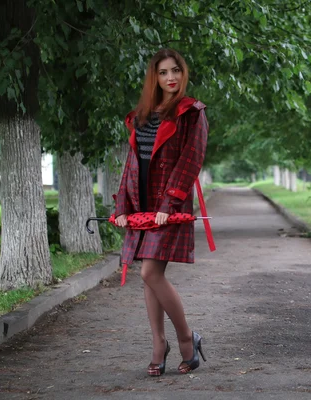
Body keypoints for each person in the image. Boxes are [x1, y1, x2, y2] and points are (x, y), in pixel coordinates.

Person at [114, 48, 208, 376]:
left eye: (176, 71)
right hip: (141, 206)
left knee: (150, 273)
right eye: (164, 72)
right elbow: (132, 164)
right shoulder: (141, 115)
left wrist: (169, 204)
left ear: (183, 75)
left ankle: (185, 339)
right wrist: (123, 207)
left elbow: (191, 160)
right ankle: (159, 344)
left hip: (169, 206)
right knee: (150, 278)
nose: (171, 78)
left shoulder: (191, 112)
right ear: (154, 77)